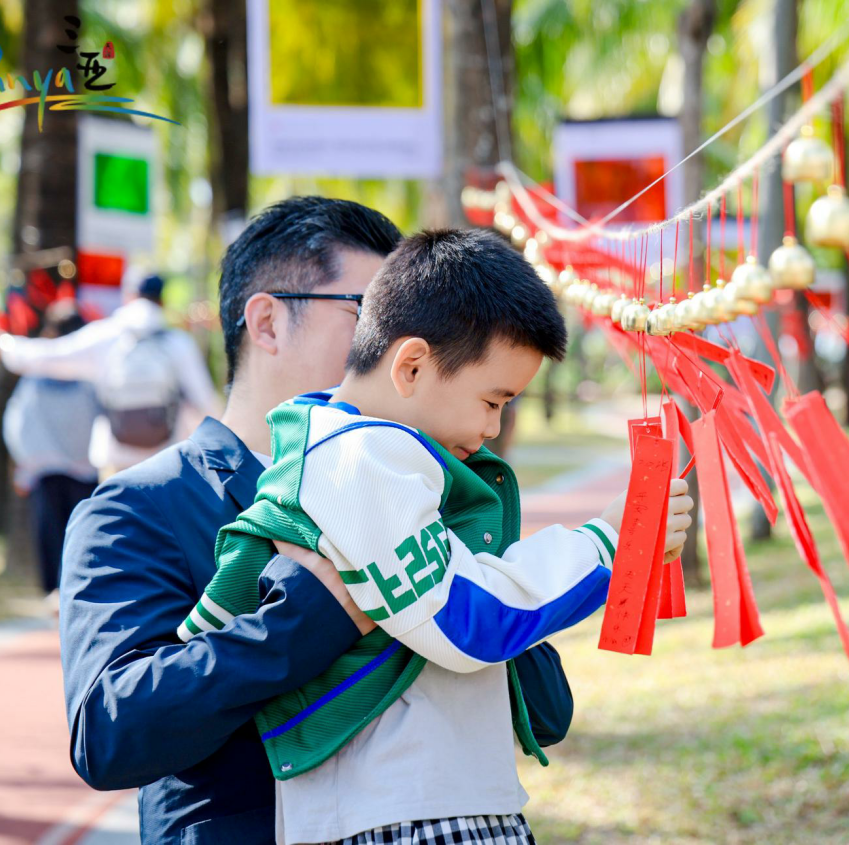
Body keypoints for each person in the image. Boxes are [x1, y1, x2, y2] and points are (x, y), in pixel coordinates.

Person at [57, 197, 578, 845]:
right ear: (268, 322)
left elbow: (548, 712)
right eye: (368, 316)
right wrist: (313, 610)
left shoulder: (426, 489)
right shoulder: (138, 509)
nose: (398, 345)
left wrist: (471, 580)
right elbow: (112, 733)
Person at [179, 228, 694, 845]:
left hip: (419, 804)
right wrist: (610, 542)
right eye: (491, 400)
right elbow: (468, 620)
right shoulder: (357, 463)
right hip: (407, 815)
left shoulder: (350, 455)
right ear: (412, 364)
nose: (493, 426)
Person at [0, 273, 220, 475]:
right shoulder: (178, 343)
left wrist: (6, 346)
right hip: (168, 461)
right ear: (161, 301)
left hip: (116, 460)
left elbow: (51, 356)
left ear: (129, 297)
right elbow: (205, 401)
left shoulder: (106, 335)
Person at [2, 300, 101, 597]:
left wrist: (25, 465)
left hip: (46, 468)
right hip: (85, 469)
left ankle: (55, 595)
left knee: (51, 535)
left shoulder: (34, 376)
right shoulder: (90, 377)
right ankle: (78, 592)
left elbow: (19, 422)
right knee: (82, 536)